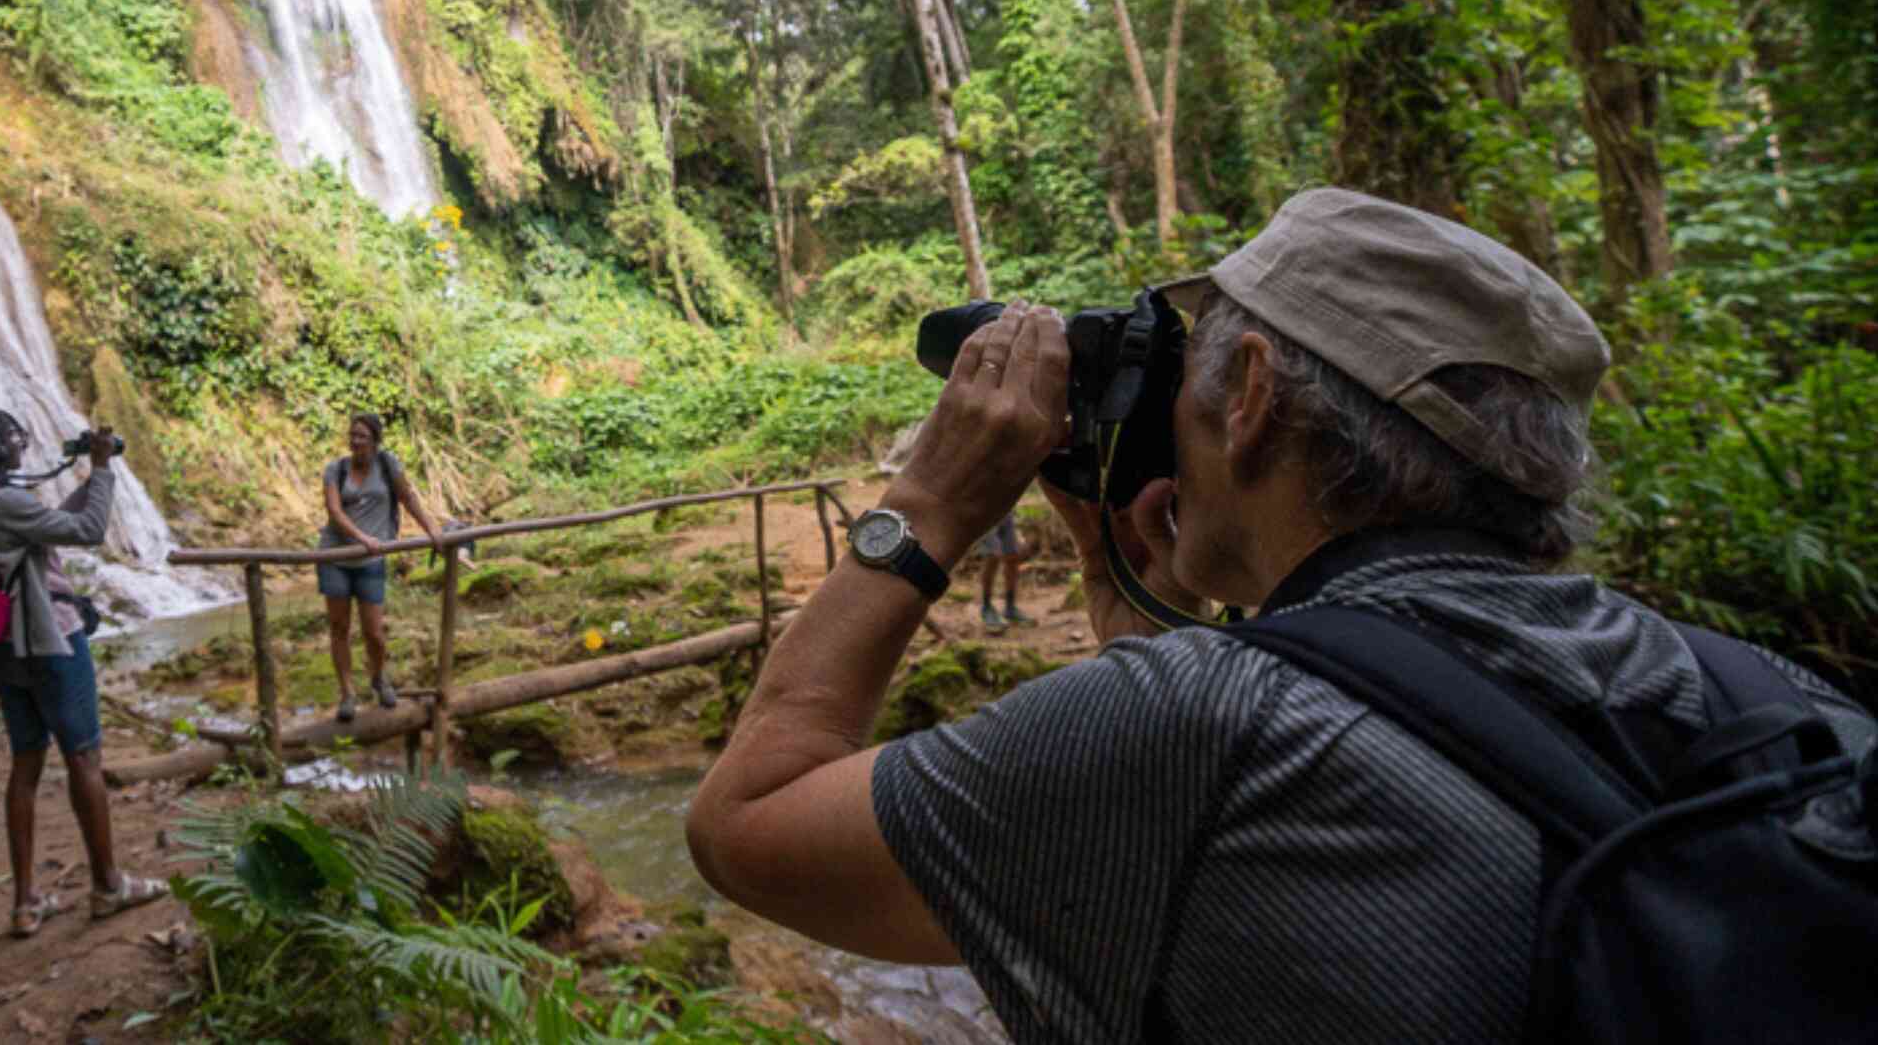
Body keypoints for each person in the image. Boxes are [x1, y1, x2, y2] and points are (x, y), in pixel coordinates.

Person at [683, 188, 1876, 1042]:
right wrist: (1128, 599)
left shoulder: (1204, 729)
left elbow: (746, 826)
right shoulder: (1775, 697)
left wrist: (930, 502)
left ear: (1249, 396)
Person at [0, 406, 165, 937]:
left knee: (26, 764)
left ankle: (25, 902)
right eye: (12, 438)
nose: (21, 444)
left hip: (5, 651)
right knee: (84, 757)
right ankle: (109, 885)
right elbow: (86, 532)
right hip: (51, 643)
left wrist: (87, 474)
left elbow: (48, 530)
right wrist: (105, 470)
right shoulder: (7, 502)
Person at [318, 412, 443, 723]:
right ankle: (347, 693)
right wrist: (363, 538)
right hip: (335, 557)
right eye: (353, 435)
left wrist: (432, 529)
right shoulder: (336, 470)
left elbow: (407, 497)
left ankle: (378, 678)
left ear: (375, 440)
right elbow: (334, 512)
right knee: (339, 628)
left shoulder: (388, 466)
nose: (356, 441)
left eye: (362, 436)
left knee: (374, 632)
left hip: (371, 561)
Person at [968, 509, 1036, 634]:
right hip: (985, 510)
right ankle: (986, 607)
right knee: (993, 555)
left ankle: (1010, 608)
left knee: (1013, 556)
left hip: (1006, 510)